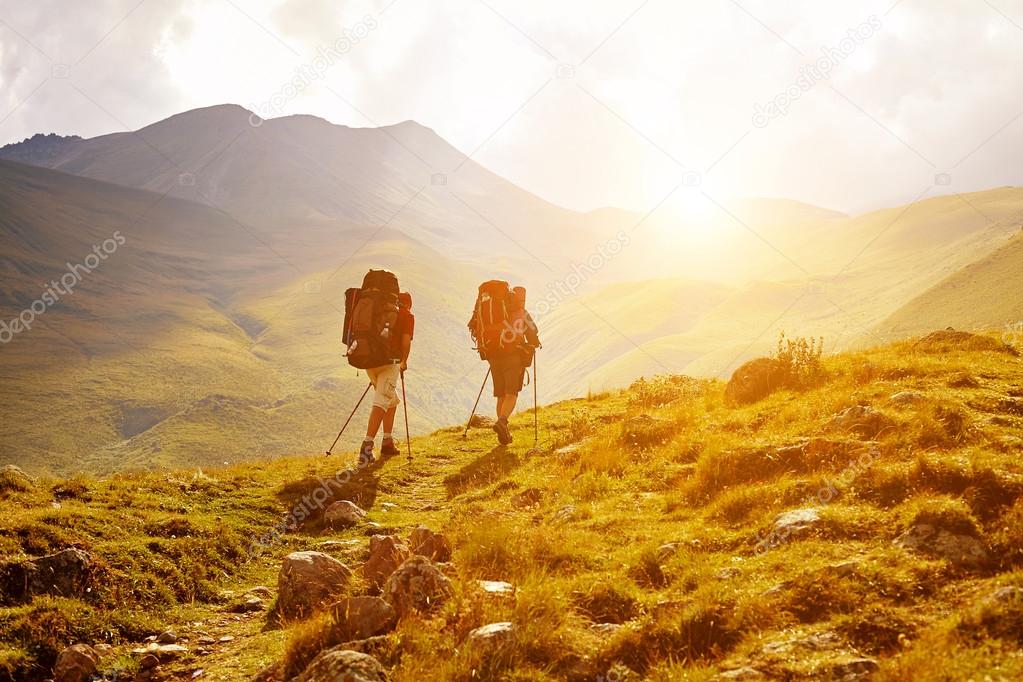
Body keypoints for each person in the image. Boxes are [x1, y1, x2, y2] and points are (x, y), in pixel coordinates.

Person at [469, 283, 540, 445]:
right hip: (512, 356)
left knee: (500, 394)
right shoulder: (521, 312)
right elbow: (532, 334)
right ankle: (502, 422)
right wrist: (534, 343)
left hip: (493, 355)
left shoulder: (494, 309)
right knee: (511, 393)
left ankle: (503, 433)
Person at [360, 291, 414, 462]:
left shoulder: (380, 312)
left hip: (369, 362)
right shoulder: (407, 316)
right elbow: (405, 342)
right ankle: (366, 447)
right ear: (409, 304)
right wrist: (403, 362)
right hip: (389, 362)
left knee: (391, 400)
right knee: (382, 401)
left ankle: (387, 442)